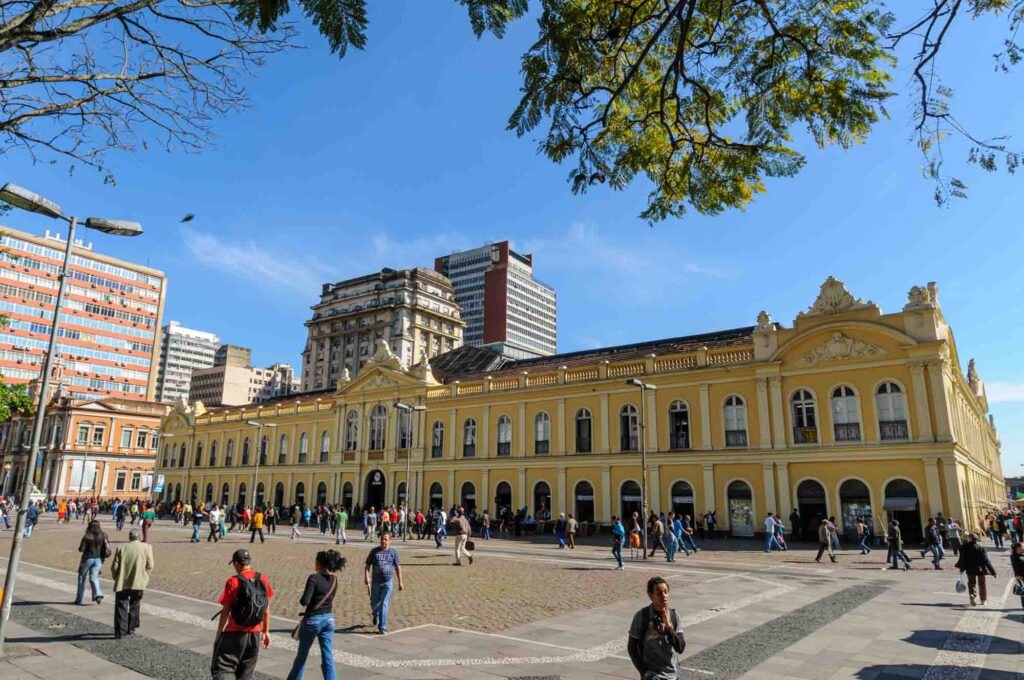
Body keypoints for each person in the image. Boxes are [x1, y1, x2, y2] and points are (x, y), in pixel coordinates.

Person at [212, 549, 274, 679]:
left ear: (236, 563)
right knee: (246, 673)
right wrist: (266, 631)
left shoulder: (233, 581)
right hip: (254, 634)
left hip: (234, 632)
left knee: (223, 669)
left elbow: (226, 609)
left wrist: (219, 631)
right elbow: (266, 608)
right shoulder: (262, 578)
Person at [286, 549, 345, 680]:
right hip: (329, 619)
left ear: (318, 563)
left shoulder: (313, 578)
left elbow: (305, 601)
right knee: (328, 655)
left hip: (313, 621)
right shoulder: (334, 579)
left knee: (302, 656)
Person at [627, 577, 686, 680]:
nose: (664, 596)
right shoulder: (641, 616)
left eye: (666, 592)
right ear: (651, 595)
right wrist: (644, 671)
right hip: (652, 676)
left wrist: (669, 628)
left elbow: (680, 648)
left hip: (672, 675)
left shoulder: (674, 616)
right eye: (659, 593)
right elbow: (632, 647)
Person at [111, 527, 154, 638]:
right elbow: (150, 565)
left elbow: (115, 567)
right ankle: (131, 627)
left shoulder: (121, 547)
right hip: (139, 581)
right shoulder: (147, 547)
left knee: (121, 605)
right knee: (135, 604)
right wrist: (145, 576)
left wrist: (116, 577)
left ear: (129, 537)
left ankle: (121, 631)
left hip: (123, 581)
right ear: (139, 537)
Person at [364, 532, 404, 634]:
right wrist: (366, 577)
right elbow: (368, 566)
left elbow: (398, 567)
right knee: (374, 603)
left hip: (388, 581)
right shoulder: (374, 552)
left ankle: (382, 626)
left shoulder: (393, 552)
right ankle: (375, 614)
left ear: (390, 541)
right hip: (376, 582)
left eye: (386, 539)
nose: (383, 541)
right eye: (382, 539)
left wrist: (400, 582)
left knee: (384, 604)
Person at [955, 532, 996, 606]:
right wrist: (993, 571)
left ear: (970, 539)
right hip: (980, 570)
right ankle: (983, 600)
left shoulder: (964, 547)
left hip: (969, 569)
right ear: (976, 540)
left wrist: (961, 569)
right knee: (982, 584)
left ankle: (973, 594)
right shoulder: (980, 548)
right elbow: (986, 561)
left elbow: (962, 559)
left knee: (971, 584)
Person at [75, 520, 109, 605]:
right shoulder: (103, 535)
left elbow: (81, 549)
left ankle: (79, 599)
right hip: (98, 559)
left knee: (82, 578)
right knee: (94, 578)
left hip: (87, 558)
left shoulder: (87, 536)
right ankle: (98, 594)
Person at [1010, 542, 1024, 610]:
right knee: (1023, 591)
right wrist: (1017, 575)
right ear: (1016, 549)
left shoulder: (1020, 555)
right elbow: (1015, 567)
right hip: (1021, 576)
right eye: (1021, 548)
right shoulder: (1015, 557)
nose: (1022, 549)